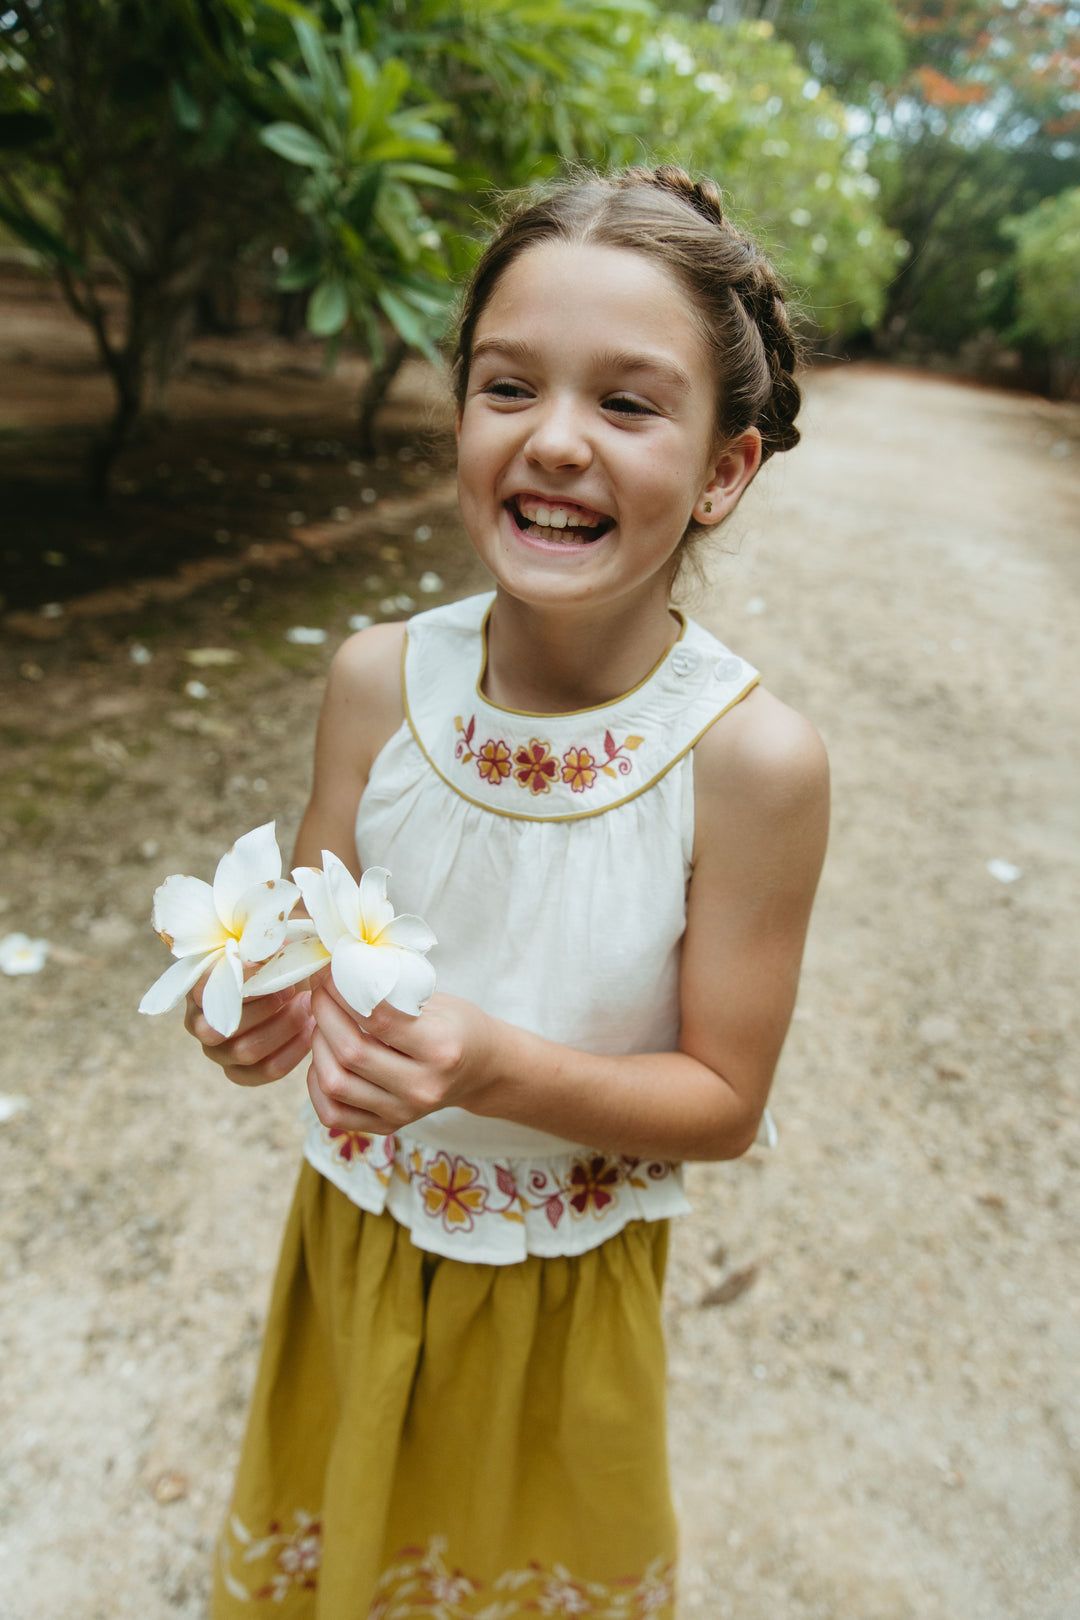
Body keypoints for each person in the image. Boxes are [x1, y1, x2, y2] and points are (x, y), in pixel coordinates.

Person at [188, 164, 829, 1618]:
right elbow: (306, 951)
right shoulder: (375, 683)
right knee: (341, 1554)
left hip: (559, 1281)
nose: (554, 442)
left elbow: (723, 1102)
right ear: (459, 412)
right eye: (506, 386)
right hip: (356, 1238)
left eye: (626, 403)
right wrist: (251, 1015)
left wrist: (495, 1064)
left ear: (726, 468)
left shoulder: (750, 764)